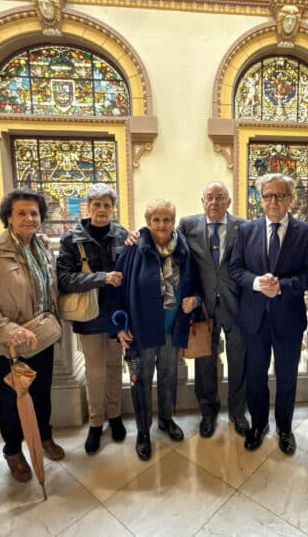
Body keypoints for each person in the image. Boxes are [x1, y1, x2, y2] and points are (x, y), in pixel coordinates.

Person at [0, 188, 65, 483]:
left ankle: (44, 436)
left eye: (34, 213)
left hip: (41, 337)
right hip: (8, 343)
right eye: (21, 212)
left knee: (41, 392)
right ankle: (13, 450)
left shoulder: (41, 247)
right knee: (12, 400)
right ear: (8, 217)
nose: (29, 218)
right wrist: (10, 330)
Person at [229, 173, 308, 456]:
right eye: (267, 195)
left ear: (291, 199)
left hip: (288, 319)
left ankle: (284, 428)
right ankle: (258, 425)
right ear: (260, 199)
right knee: (255, 376)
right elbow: (235, 270)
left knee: (287, 377)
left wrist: (282, 286)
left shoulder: (307, 233)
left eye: (280, 195)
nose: (273, 201)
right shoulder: (246, 231)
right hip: (254, 319)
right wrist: (257, 283)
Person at [107, 199, 201, 461]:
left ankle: (166, 420)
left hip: (173, 328)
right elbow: (116, 291)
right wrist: (119, 328)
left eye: (167, 219)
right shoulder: (133, 249)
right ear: (148, 222)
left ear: (174, 221)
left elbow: (195, 285)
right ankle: (143, 431)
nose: (161, 225)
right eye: (156, 220)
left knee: (169, 377)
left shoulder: (183, 250)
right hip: (141, 332)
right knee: (141, 382)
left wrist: (195, 300)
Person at [57, 183, 128, 455]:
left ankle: (115, 415)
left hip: (116, 314)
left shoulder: (122, 234)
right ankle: (96, 422)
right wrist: (101, 278)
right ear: (87, 207)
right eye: (96, 204)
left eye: (107, 205)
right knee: (95, 371)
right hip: (88, 315)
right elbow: (65, 279)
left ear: (113, 208)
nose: (101, 210)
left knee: (114, 367)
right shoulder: (71, 239)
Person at [178, 181, 249, 438]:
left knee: (239, 359)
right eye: (209, 197)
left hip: (236, 305)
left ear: (228, 201)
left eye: (220, 197)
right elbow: (167, 244)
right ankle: (208, 412)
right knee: (205, 360)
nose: (214, 202)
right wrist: (137, 236)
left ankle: (238, 412)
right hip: (203, 306)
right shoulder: (187, 225)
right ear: (202, 201)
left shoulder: (244, 227)